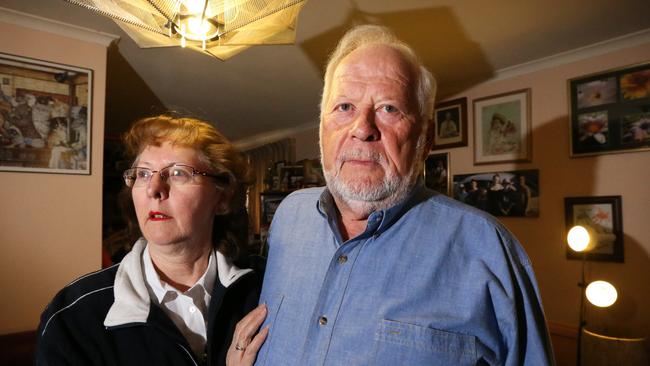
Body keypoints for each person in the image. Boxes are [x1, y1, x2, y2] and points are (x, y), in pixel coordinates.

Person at [232, 25, 554, 365]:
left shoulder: (488, 249)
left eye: (389, 109)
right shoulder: (288, 216)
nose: (362, 128)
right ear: (322, 130)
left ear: (425, 140)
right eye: (344, 107)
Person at [35, 115, 264, 365]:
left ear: (223, 198)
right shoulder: (73, 317)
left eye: (178, 173)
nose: (153, 188)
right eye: (142, 174)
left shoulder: (266, 286)